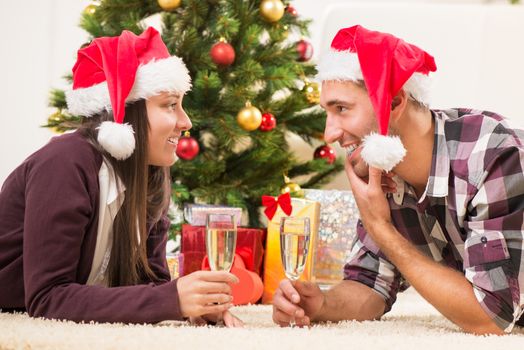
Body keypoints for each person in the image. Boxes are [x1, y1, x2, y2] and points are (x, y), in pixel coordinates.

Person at [272, 24, 524, 335]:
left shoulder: (491, 152)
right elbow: (369, 283)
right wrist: (323, 305)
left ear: (393, 102)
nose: (329, 134)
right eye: (328, 112)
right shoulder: (383, 167)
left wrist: (381, 228)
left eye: (342, 109)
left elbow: (492, 317)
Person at [0, 27, 243, 327]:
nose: (186, 121)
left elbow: (149, 284)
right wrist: (170, 299)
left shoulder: (150, 175)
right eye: (170, 105)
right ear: (125, 113)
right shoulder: (64, 163)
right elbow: (47, 297)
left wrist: (189, 305)